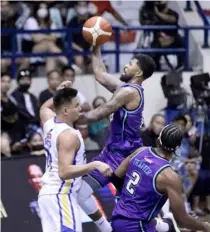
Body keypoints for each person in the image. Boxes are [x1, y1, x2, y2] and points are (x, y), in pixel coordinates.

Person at [75, 45, 156, 231]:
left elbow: (99, 113)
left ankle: (161, 225)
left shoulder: (129, 92)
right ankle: (106, 228)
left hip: (125, 157)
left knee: (134, 211)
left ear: (140, 71)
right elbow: (100, 74)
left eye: (131, 64)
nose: (126, 66)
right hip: (110, 154)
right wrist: (95, 46)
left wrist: (68, 116)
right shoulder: (124, 88)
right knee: (80, 194)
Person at [38, 81, 112, 232]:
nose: (80, 109)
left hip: (48, 194)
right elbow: (64, 172)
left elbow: (44, 108)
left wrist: (58, 92)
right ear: (65, 110)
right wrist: (95, 165)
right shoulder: (69, 135)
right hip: (61, 194)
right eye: (77, 105)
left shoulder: (49, 122)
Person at [111, 124, 210, 232]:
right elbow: (182, 220)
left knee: (164, 224)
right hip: (136, 226)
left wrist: (128, 199)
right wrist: (204, 226)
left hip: (117, 215)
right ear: (178, 148)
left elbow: (116, 177)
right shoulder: (169, 176)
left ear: (159, 138)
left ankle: (165, 226)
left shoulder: (140, 151)